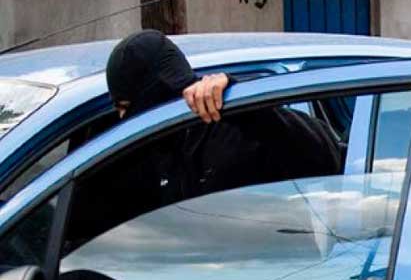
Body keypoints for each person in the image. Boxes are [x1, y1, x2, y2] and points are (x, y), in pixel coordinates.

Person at [75, 30, 343, 248]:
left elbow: (325, 156)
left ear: (154, 91)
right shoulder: (151, 151)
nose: (124, 119)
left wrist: (245, 104)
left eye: (125, 106)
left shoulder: (241, 127)